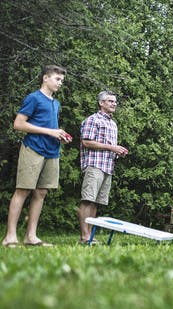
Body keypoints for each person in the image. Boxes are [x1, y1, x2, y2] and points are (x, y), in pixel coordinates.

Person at [3, 65, 70, 248]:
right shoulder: (33, 98)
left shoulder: (55, 103)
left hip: (52, 152)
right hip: (33, 149)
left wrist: (59, 135)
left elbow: (50, 127)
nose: (60, 83)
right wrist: (49, 131)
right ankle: (10, 237)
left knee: (41, 192)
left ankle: (31, 237)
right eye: (57, 79)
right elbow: (18, 124)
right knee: (22, 190)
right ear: (45, 78)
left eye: (62, 81)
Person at [78, 91, 129, 245]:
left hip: (108, 167)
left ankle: (90, 236)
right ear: (101, 103)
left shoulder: (113, 124)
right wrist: (112, 148)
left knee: (95, 203)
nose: (114, 104)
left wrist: (118, 152)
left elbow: (109, 147)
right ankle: (84, 236)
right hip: (94, 165)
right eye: (110, 101)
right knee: (87, 200)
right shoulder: (93, 120)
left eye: (115, 101)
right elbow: (86, 142)